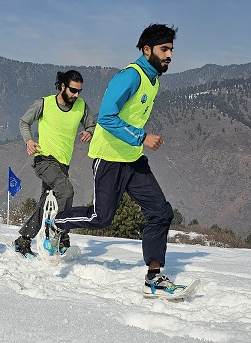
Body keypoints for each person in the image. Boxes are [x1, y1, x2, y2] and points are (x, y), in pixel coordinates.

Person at [47, 23, 181, 297]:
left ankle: (154, 276)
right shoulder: (130, 77)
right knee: (101, 217)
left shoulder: (153, 80)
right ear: (147, 50)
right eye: (164, 49)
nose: (169, 55)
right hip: (109, 158)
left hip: (133, 160)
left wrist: (137, 144)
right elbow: (107, 117)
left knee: (161, 212)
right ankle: (57, 223)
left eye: (171, 49)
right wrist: (141, 137)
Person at [13, 70, 97, 257]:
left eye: (79, 92)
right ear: (62, 86)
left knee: (45, 203)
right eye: (73, 90)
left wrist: (89, 132)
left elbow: (91, 124)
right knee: (66, 191)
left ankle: (23, 240)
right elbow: (24, 122)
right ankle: (61, 236)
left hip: (63, 164)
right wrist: (28, 141)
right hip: (44, 159)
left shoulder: (81, 106)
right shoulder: (44, 104)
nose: (76, 95)